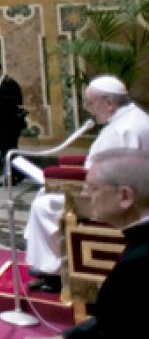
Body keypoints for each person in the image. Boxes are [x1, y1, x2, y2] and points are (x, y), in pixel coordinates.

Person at [24, 75, 149, 292]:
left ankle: (54, 271)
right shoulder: (134, 117)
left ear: (109, 103)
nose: (90, 109)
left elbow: (111, 175)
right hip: (124, 192)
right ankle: (52, 264)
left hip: (123, 201)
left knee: (44, 205)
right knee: (46, 196)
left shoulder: (123, 129)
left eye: (91, 103)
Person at [34, 149, 149, 339]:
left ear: (125, 196)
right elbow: (113, 319)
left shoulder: (137, 266)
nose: (84, 194)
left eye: (92, 188)